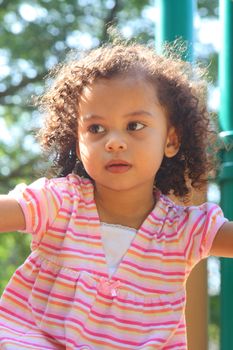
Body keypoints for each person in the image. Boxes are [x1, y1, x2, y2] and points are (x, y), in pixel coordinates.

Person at [0, 41, 232, 350]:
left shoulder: (184, 230)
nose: (114, 142)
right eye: (96, 129)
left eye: (134, 125)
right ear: (77, 142)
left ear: (171, 140)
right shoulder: (60, 202)